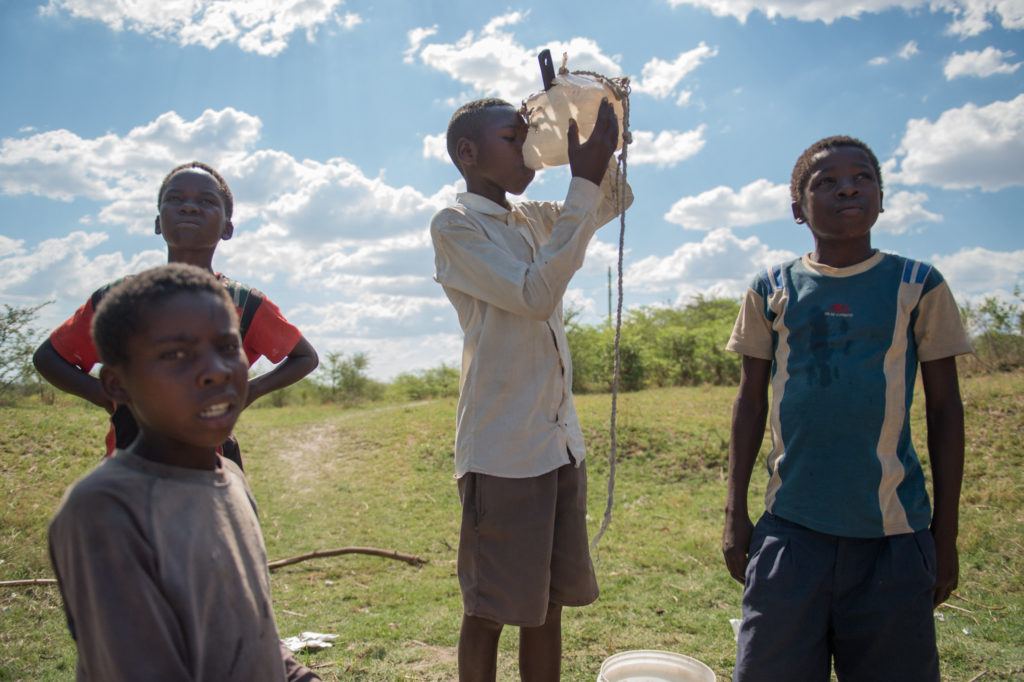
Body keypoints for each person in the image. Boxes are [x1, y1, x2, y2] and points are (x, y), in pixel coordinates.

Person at [721, 135, 972, 681]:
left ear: (882, 198)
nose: (847, 188)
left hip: (893, 539)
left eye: (862, 178)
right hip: (790, 535)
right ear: (797, 208)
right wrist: (735, 514)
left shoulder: (917, 285)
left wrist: (943, 535)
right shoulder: (772, 287)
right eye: (825, 182)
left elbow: (947, 411)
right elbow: (749, 402)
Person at [430, 96, 632, 681]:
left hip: (557, 443)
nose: (528, 150)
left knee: (546, 605)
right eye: (513, 138)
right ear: (468, 153)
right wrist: (583, 183)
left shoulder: (533, 217)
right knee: (491, 609)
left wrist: (587, 125)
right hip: (503, 450)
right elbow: (534, 294)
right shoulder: (456, 227)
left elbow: (612, 196)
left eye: (528, 136)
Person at [48, 263, 318, 681]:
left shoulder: (229, 479)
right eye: (176, 354)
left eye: (228, 347)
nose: (216, 370)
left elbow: (253, 634)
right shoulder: (105, 512)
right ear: (116, 386)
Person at [34, 161, 318, 466]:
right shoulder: (121, 298)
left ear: (227, 228)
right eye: (175, 199)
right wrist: (107, 397)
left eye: (207, 201)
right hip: (129, 471)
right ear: (158, 223)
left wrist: (250, 390)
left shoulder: (244, 302)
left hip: (212, 473)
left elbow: (305, 357)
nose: (189, 208)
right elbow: (48, 357)